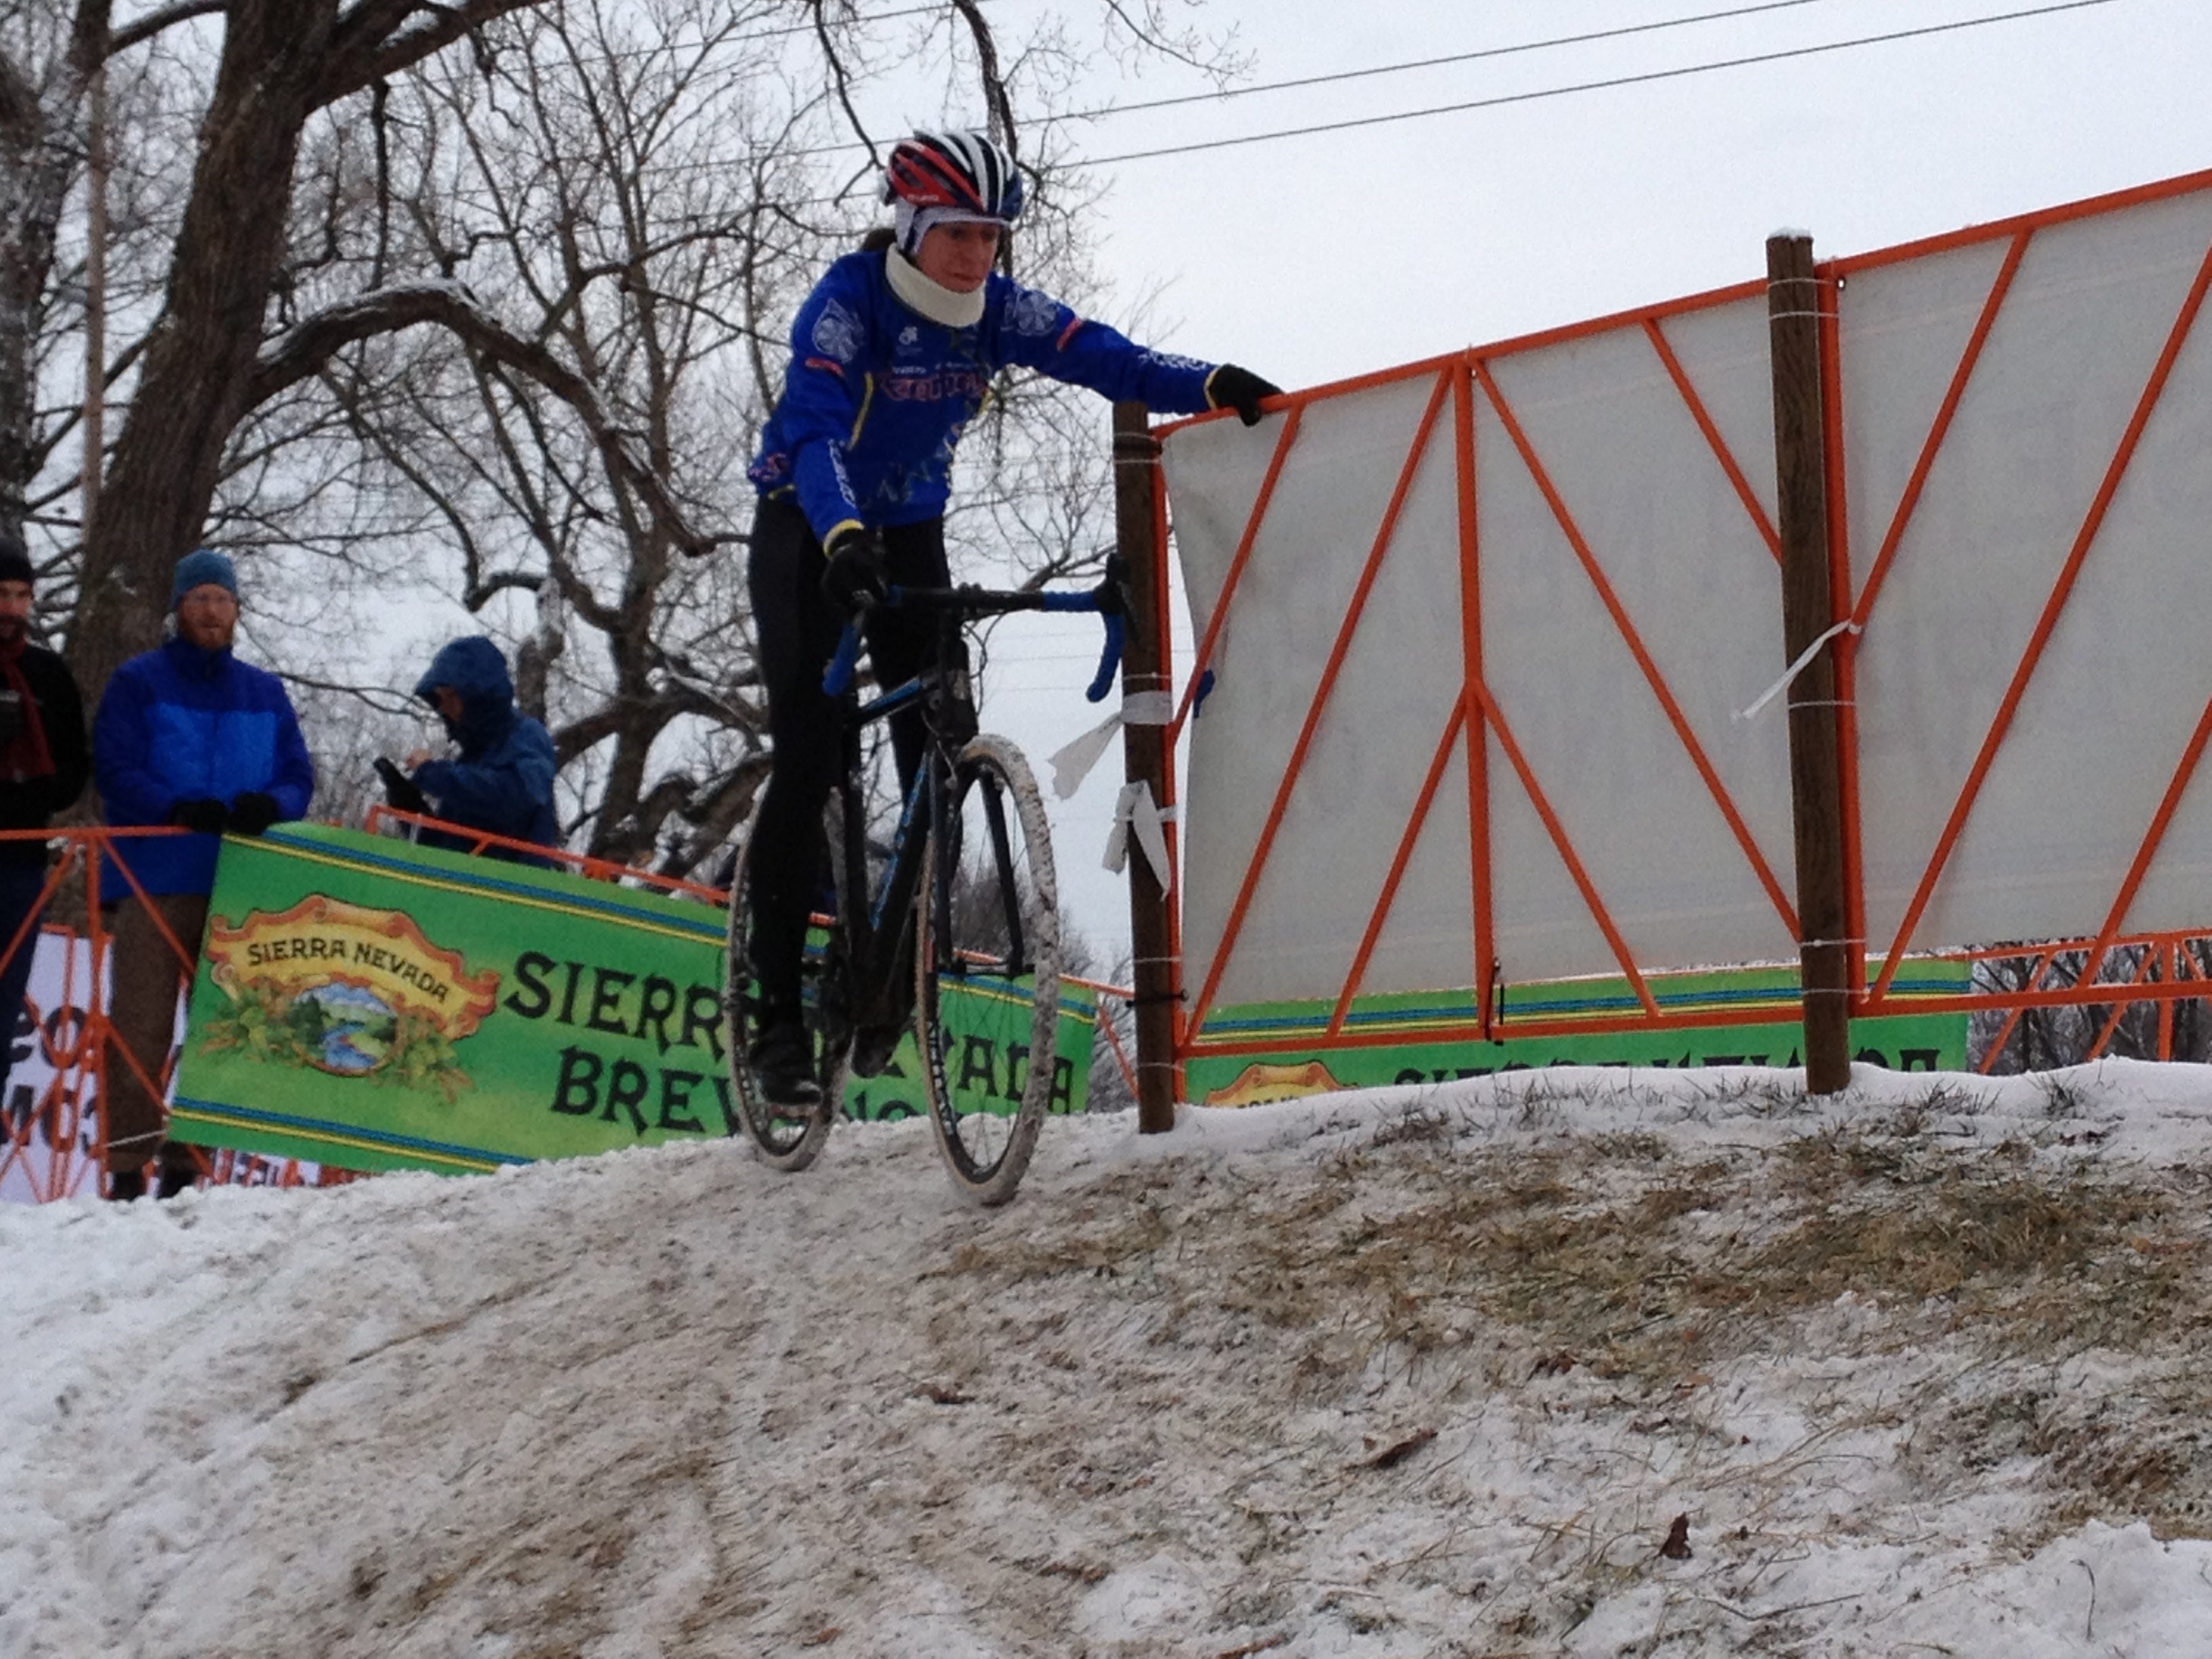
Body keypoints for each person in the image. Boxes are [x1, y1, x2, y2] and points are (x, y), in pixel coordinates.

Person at [743, 129, 1280, 1106]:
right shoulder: (846, 305)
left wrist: (1208, 383)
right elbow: (813, 432)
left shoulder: (994, 311)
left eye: (992, 236)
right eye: (958, 234)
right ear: (910, 225)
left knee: (938, 759)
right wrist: (840, 536)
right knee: (810, 754)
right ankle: (774, 1020)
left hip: (911, 531)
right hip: (809, 527)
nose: (976, 255)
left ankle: (884, 975)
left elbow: (1103, 356)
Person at [94, 548, 315, 1200]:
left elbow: (298, 774)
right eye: (199, 599)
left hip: (241, 885)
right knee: (140, 1023)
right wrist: (174, 806)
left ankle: (190, 1162)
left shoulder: (265, 693)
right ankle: (126, 1166)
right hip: (154, 877)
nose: (211, 611)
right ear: (178, 608)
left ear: (238, 611)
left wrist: (272, 806)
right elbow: (116, 766)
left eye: (222, 599)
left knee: (224, 1027)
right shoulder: (139, 682)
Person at [0, 529, 89, 1123]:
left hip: (21, 857)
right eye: (1, 594)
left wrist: (35, 788)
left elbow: (74, 766)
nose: (11, 609)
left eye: (22, 596)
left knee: (5, 999)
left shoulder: (49, 675)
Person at [398, 636, 559, 865]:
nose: (443, 706)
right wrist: (408, 805)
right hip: (461, 887)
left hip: (512, 891)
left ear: (479, 694)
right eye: (440, 699)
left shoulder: (527, 736)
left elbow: (515, 799)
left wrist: (435, 774)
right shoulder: (469, 758)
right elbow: (444, 848)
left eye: (451, 695)